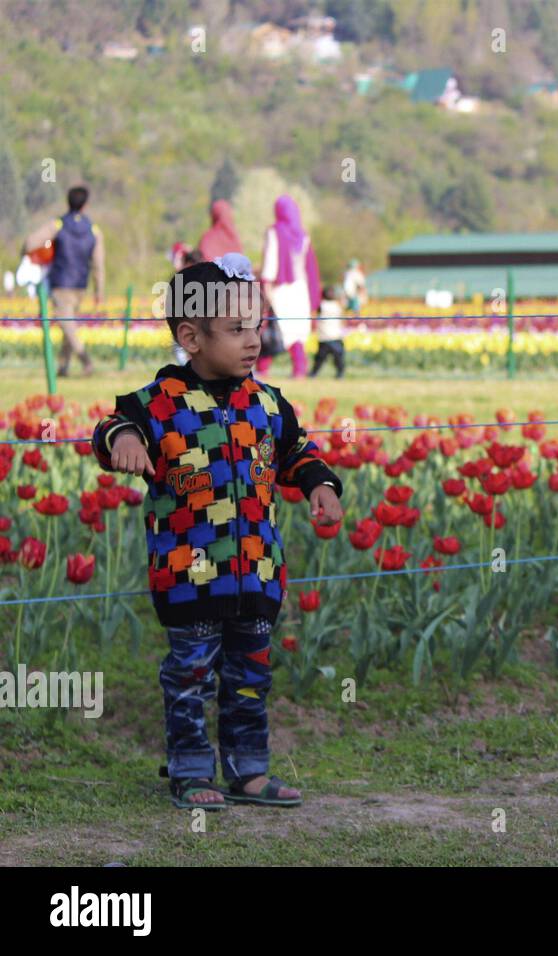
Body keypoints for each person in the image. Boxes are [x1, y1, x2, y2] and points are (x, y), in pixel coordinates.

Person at [90, 252, 344, 810]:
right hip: (189, 576)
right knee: (189, 679)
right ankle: (189, 770)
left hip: (257, 573)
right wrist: (124, 441)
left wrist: (320, 484)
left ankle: (249, 771)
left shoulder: (268, 404)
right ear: (192, 335)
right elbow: (110, 425)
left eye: (256, 326)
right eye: (236, 329)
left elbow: (298, 451)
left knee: (251, 677)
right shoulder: (157, 406)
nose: (254, 339)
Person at [25, 185, 105, 377]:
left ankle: (84, 358)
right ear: (85, 205)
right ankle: (63, 367)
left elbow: (30, 242)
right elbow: (98, 264)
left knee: (67, 324)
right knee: (68, 324)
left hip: (61, 283)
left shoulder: (58, 225)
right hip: (80, 286)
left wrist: (36, 253)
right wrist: (99, 291)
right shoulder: (94, 230)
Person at [258, 195, 319, 378]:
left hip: (280, 288)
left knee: (274, 328)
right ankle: (300, 369)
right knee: (296, 331)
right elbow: (309, 266)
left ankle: (262, 368)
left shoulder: (275, 232)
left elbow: (271, 260)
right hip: (300, 289)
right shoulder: (303, 234)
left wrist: (266, 283)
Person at [309, 285, 346, 378]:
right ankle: (340, 374)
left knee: (320, 359)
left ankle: (313, 374)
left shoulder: (321, 305)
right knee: (339, 359)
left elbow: (313, 313)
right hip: (336, 337)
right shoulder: (337, 305)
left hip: (325, 338)